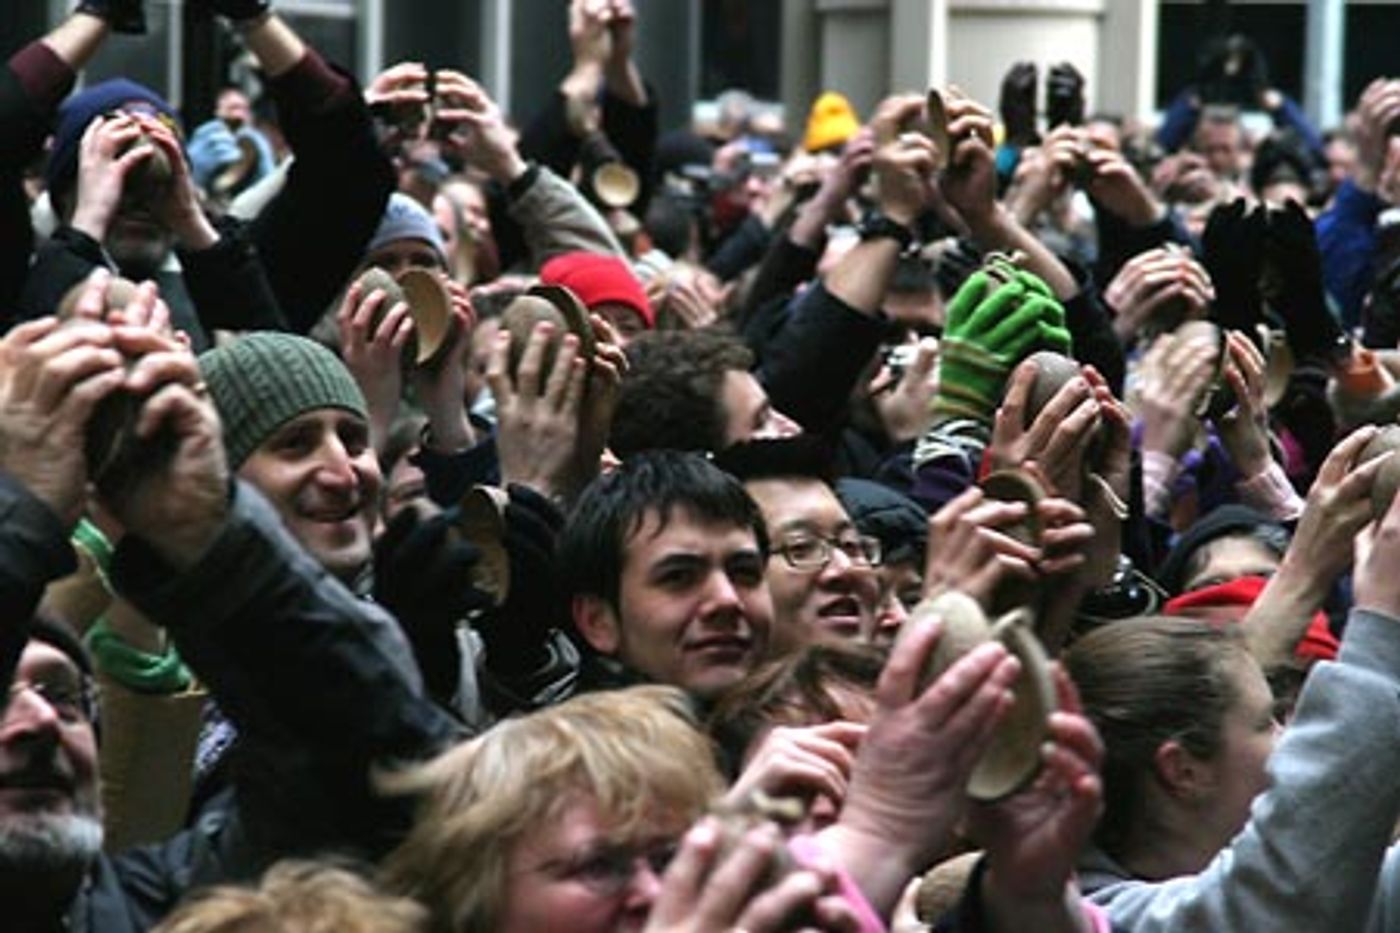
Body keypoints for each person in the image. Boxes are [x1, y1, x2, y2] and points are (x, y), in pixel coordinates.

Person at [557, 451, 774, 700]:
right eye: (679, 577)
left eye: (745, 573)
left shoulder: (814, 721)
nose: (727, 599)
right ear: (598, 621)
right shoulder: (555, 739)